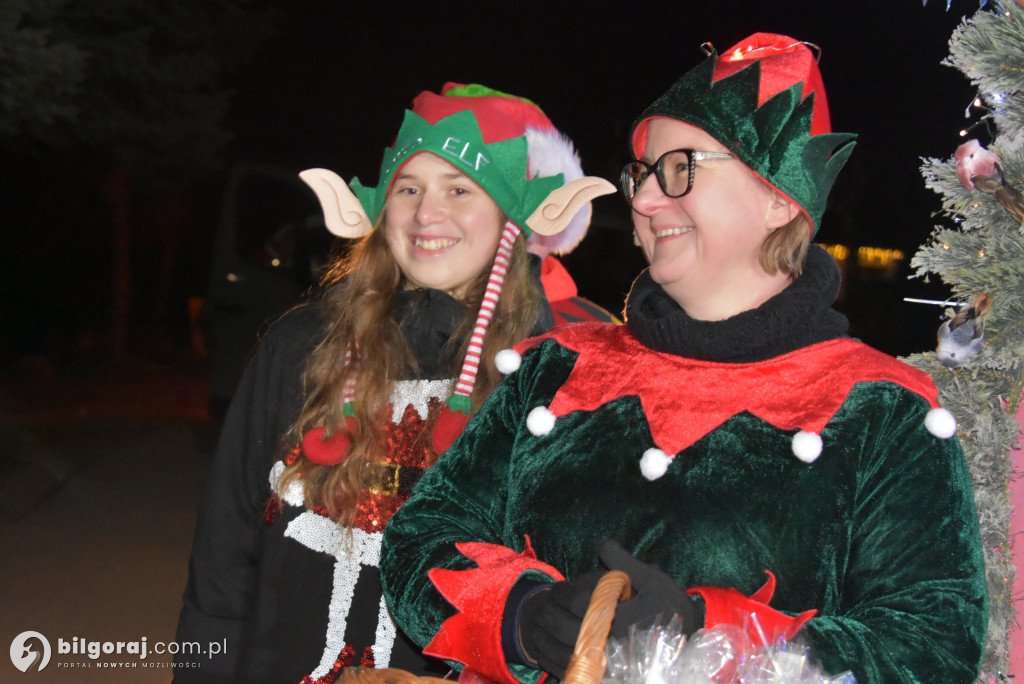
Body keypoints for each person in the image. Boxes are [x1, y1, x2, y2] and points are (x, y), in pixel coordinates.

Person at [380, 34, 988, 684]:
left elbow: (931, 642)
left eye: (680, 168)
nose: (642, 201)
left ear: (781, 198)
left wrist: (708, 637)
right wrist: (524, 618)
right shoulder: (552, 368)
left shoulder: (884, 409)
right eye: (641, 173)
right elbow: (423, 540)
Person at [172, 82, 614, 683]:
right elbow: (225, 555)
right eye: (409, 188)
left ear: (515, 214)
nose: (426, 214)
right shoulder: (303, 344)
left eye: (459, 188)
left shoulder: (570, 363)